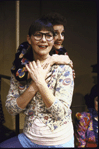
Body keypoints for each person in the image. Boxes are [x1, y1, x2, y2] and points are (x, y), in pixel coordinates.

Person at [0, 18, 74, 148]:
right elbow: (11, 109)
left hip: (58, 141)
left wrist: (41, 82)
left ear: (53, 40)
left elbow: (61, 113)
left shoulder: (64, 68)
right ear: (29, 39)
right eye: (38, 35)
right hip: (28, 138)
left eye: (48, 36)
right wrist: (35, 84)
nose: (43, 40)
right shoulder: (20, 70)